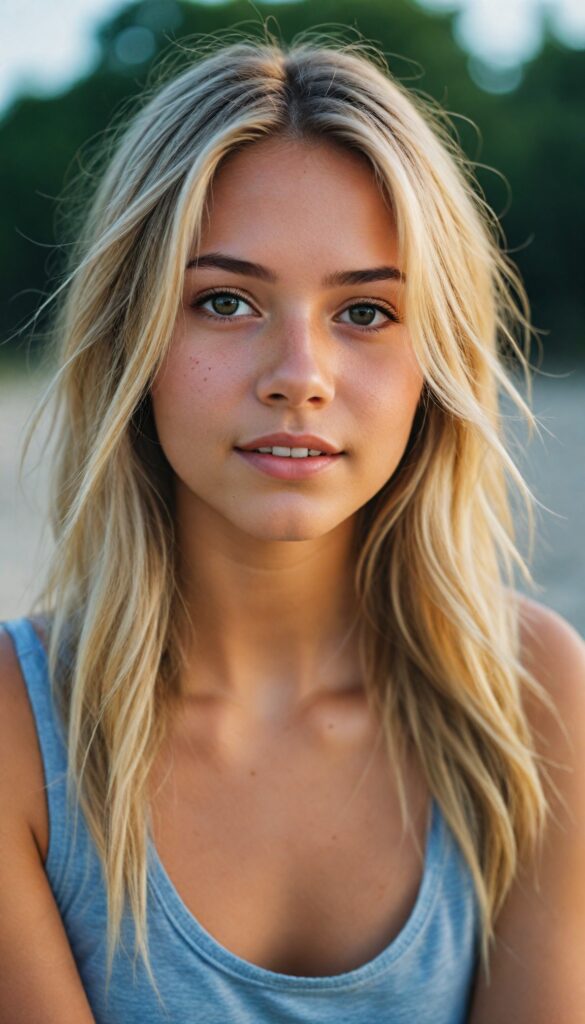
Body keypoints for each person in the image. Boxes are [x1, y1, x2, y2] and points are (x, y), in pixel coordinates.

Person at [1, 32, 584, 1024]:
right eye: (225, 301)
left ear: (433, 360)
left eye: (364, 311)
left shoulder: (533, 702)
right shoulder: (19, 735)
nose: (299, 374)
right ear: (132, 335)